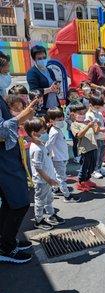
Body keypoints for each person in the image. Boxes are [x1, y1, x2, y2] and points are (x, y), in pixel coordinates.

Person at [0, 51, 37, 264]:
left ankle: (7, 240)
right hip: (4, 161)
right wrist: (20, 118)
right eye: (5, 71)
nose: (8, 76)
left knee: (9, 202)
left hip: (9, 157)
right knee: (19, 203)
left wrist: (22, 116)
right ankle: (7, 247)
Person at [25, 117, 65, 231]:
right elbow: (38, 168)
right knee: (40, 201)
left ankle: (51, 215)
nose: (45, 133)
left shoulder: (41, 144)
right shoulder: (37, 149)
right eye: (42, 131)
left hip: (47, 179)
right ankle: (38, 220)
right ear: (34, 133)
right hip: (42, 181)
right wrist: (49, 180)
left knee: (49, 198)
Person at [46, 107, 80, 203]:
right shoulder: (55, 131)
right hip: (59, 158)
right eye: (59, 120)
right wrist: (46, 154)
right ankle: (67, 196)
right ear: (51, 121)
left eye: (62, 119)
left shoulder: (56, 129)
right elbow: (49, 144)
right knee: (61, 178)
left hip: (61, 157)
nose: (62, 121)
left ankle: (56, 189)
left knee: (58, 175)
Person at [70, 103, 98, 191]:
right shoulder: (74, 124)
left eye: (83, 113)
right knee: (85, 166)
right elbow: (78, 135)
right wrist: (88, 126)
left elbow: (96, 132)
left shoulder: (86, 122)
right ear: (73, 114)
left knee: (92, 165)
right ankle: (80, 182)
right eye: (80, 113)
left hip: (93, 147)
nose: (82, 115)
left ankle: (87, 179)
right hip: (84, 149)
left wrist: (94, 124)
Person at [26, 45, 60, 113]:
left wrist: (57, 88)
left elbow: (55, 85)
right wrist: (49, 89)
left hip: (55, 104)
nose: (42, 60)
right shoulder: (32, 73)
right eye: (39, 58)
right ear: (34, 59)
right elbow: (34, 92)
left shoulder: (50, 70)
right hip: (43, 108)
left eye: (44, 57)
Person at [85, 94, 105, 179]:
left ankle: (99, 168)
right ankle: (94, 170)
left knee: (101, 154)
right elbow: (92, 128)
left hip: (102, 137)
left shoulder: (99, 113)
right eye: (97, 107)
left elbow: (102, 122)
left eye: (99, 107)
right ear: (91, 105)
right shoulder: (89, 115)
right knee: (96, 156)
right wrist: (100, 129)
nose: (98, 109)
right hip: (95, 139)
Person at [88, 47, 105, 111]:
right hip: (98, 98)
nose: (103, 57)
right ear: (97, 56)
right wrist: (101, 88)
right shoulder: (94, 68)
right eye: (101, 55)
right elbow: (89, 84)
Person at [65, 88, 82, 163]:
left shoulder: (81, 104)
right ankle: (76, 156)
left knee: (81, 142)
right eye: (72, 96)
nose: (75, 97)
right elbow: (67, 118)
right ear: (68, 98)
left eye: (76, 95)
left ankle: (81, 154)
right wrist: (73, 125)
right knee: (75, 142)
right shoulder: (69, 107)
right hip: (73, 128)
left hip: (81, 126)